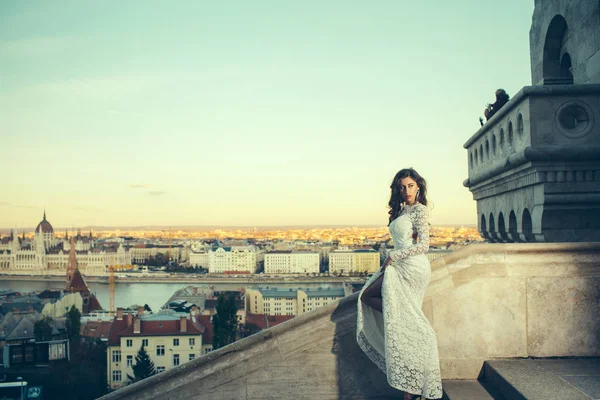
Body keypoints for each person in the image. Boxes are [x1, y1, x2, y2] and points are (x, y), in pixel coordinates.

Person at [357, 168, 442, 400]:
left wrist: (395, 256)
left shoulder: (421, 211)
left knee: (405, 315)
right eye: (402, 187)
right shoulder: (401, 210)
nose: (406, 191)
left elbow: (424, 245)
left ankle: (411, 390)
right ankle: (411, 389)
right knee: (369, 298)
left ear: (418, 187)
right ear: (398, 189)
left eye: (410, 186)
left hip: (413, 267)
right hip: (399, 264)